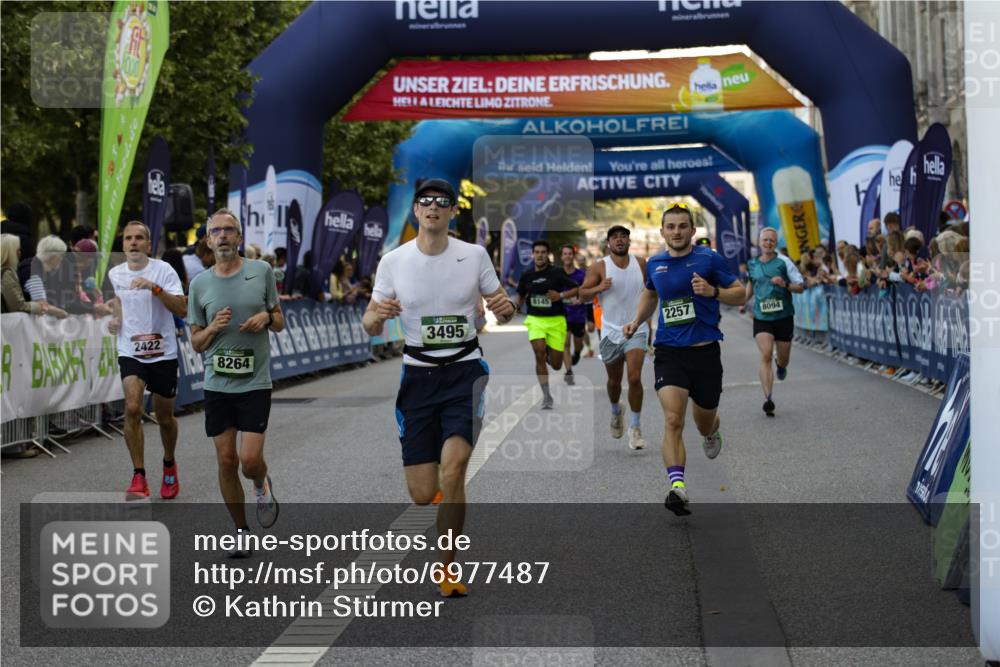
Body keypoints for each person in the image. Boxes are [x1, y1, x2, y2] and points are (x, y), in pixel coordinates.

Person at [362, 179, 514, 597]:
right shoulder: (394, 261)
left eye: (441, 203)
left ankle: (446, 566)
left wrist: (506, 307)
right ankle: (445, 488)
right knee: (423, 492)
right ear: (416, 211)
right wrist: (378, 317)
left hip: (464, 371)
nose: (433, 208)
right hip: (417, 377)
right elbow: (369, 320)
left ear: (451, 212)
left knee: (455, 466)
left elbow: (501, 303)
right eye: (425, 202)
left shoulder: (474, 255)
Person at [623, 204, 745, 515]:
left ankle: (712, 429)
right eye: (671, 226)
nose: (676, 231)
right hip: (669, 351)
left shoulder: (708, 258)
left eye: (682, 226)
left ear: (692, 231)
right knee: (673, 419)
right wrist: (637, 321)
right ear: (662, 231)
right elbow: (650, 294)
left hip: (705, 352)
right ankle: (677, 486)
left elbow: (740, 293)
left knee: (703, 423)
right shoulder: (655, 263)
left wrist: (713, 291)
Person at [188, 209, 284, 555]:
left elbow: (279, 320)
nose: (224, 236)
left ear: (239, 237)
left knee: (249, 461)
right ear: (209, 240)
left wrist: (265, 316)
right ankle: (241, 530)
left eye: (230, 230)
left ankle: (260, 483)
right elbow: (196, 342)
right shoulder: (199, 284)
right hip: (217, 384)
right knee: (226, 460)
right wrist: (213, 328)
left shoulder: (261, 272)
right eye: (217, 231)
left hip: (255, 382)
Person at [106, 222, 188, 500]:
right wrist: (115, 318)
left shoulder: (163, 270)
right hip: (131, 350)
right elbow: (117, 303)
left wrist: (154, 288)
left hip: (163, 352)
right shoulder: (115, 273)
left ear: (148, 244)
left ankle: (169, 463)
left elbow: (181, 307)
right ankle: (139, 476)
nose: (133, 242)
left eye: (139, 238)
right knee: (132, 407)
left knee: (164, 417)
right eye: (128, 238)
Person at [579, 225, 649, 450]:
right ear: (608, 243)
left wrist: (648, 323)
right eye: (615, 237)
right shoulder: (600, 267)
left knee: (635, 378)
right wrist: (599, 286)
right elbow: (582, 295)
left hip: (636, 328)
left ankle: (636, 428)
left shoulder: (641, 264)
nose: (619, 240)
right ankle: (615, 410)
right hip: (610, 331)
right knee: (614, 382)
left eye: (623, 237)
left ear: (629, 241)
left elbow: (652, 292)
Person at [745, 227, 804, 417]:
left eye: (771, 240)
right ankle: (768, 398)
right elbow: (750, 288)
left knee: (783, 357)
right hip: (762, 317)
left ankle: (782, 365)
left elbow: (800, 287)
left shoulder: (784, 262)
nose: (768, 243)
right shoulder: (752, 264)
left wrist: (784, 284)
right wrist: (738, 300)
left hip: (784, 317)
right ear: (759, 242)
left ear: (776, 243)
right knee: (766, 355)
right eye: (765, 240)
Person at [516, 239, 580, 410]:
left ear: (548, 255)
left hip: (556, 321)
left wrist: (560, 295)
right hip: (535, 320)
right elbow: (521, 296)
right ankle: (546, 395)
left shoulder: (557, 273)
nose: (540, 255)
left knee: (557, 364)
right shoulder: (527, 275)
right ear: (533, 254)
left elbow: (576, 288)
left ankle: (551, 359)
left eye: (543, 252)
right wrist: (516, 307)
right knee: (539, 354)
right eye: (537, 252)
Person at [559, 245, 587, 385]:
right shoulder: (557, 274)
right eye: (565, 254)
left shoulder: (581, 275)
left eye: (570, 254)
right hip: (562, 314)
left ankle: (577, 353)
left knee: (578, 344)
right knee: (565, 343)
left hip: (578, 315)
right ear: (561, 256)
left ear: (573, 256)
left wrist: (580, 299)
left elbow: (587, 292)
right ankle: (568, 371)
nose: (567, 256)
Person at [1, 234, 45, 315]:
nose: (20, 253)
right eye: (17, 250)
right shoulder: (6, 274)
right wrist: (38, 306)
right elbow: (18, 306)